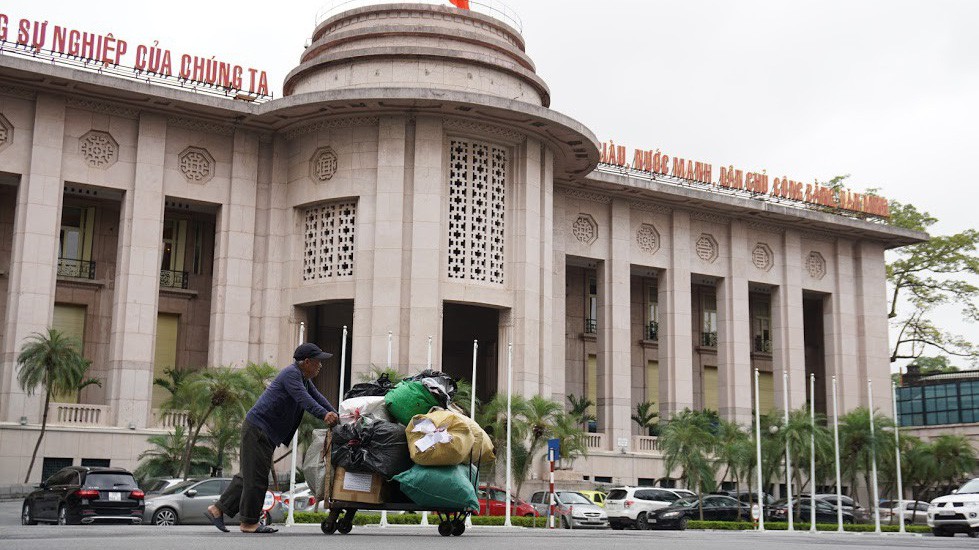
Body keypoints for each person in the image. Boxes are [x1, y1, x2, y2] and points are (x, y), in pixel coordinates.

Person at [205, 343, 339, 533]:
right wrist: (324, 416)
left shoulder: (303, 379)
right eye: (318, 362)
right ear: (307, 362)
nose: (320, 366)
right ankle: (249, 522)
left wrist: (338, 416)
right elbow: (304, 400)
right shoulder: (291, 375)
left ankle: (217, 510)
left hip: (262, 431)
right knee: (257, 478)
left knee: (248, 476)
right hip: (258, 429)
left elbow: (318, 398)